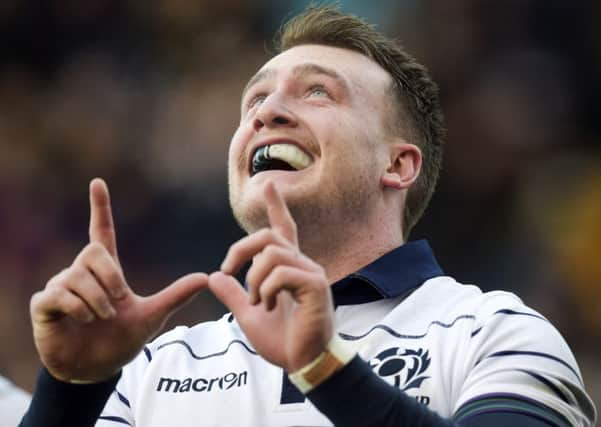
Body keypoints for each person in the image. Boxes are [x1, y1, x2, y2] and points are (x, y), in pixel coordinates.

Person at [19, 6, 596, 427]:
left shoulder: (492, 333)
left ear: (397, 164)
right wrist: (69, 391)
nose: (267, 112)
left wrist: (326, 371)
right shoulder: (154, 369)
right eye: (254, 100)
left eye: (318, 92)